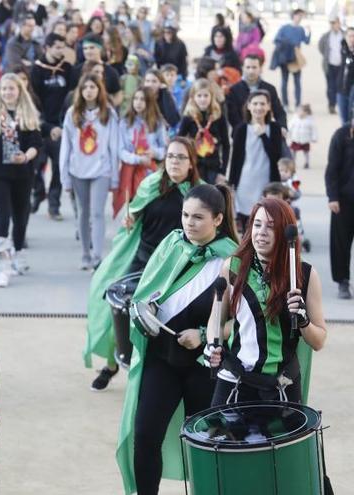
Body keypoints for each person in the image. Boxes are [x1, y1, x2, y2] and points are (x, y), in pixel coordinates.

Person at [117, 183, 238, 495]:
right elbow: (145, 292)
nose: (189, 222)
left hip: (204, 367)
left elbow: (240, 323)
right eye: (185, 215)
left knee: (204, 443)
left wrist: (202, 335)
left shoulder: (232, 259)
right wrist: (146, 311)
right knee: (144, 435)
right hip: (163, 359)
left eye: (198, 217)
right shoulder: (172, 244)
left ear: (218, 219)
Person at [85, 136, 202, 389]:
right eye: (170, 156)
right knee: (115, 303)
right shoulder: (151, 183)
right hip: (143, 258)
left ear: (191, 163)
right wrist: (131, 219)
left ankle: (158, 373)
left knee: (163, 318)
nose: (174, 162)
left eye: (181, 157)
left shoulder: (198, 194)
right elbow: (136, 213)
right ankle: (113, 363)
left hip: (175, 268)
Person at [207, 198, 328, 406]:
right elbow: (216, 320)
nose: (261, 232)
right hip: (235, 378)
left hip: (282, 383)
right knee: (215, 438)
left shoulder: (305, 274)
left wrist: (303, 320)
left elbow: (319, 341)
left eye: (271, 227)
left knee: (285, 440)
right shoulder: (233, 267)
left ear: (284, 232)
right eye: (257, 224)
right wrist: (212, 344)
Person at [0, 73, 42, 288]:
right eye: (3, 89)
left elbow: (35, 144)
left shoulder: (28, 116)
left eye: (11, 89)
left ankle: (18, 252)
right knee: (3, 218)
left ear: (19, 91)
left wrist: (26, 156)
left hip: (22, 173)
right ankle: (3, 267)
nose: (7, 93)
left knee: (21, 218)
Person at [59, 73, 119, 270]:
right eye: (85, 87)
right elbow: (66, 146)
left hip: (101, 170)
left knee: (97, 213)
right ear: (80, 91)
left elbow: (114, 145)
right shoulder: (72, 113)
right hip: (78, 171)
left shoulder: (108, 113)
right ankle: (85, 254)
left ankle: (97, 256)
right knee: (83, 213)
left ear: (99, 89)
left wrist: (115, 177)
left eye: (93, 87)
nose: (89, 91)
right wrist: (64, 176)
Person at [30, 32, 74, 220]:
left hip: (61, 126)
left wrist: (63, 125)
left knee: (58, 167)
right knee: (34, 165)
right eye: (57, 47)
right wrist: (45, 125)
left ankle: (53, 205)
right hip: (40, 126)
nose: (60, 50)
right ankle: (38, 191)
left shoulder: (68, 69)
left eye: (62, 47)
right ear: (47, 48)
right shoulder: (37, 70)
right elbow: (33, 100)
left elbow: (72, 98)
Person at [228, 90, 283, 231]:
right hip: (246, 183)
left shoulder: (275, 129)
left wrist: (263, 136)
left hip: (267, 183)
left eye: (263, 104)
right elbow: (236, 159)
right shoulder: (241, 129)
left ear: (269, 107)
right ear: (249, 106)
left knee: (266, 221)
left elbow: (276, 156)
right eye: (255, 103)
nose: (259, 107)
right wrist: (232, 184)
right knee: (248, 223)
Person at [114, 86, 168, 218]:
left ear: (149, 102)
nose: (138, 102)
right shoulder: (125, 122)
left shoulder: (157, 123)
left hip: (150, 172)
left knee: (150, 211)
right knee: (133, 212)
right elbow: (120, 151)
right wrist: (137, 159)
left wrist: (155, 153)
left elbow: (165, 149)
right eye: (136, 99)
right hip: (130, 173)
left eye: (142, 99)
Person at [177, 78, 230, 185]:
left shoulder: (218, 117)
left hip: (213, 167)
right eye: (199, 96)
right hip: (193, 166)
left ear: (211, 97)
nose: (203, 99)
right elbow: (179, 142)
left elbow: (226, 145)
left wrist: (223, 171)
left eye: (206, 96)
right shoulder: (188, 117)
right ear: (193, 97)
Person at [325, 118, 354, 299]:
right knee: (341, 243)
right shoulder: (341, 136)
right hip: (344, 200)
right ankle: (342, 281)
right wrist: (333, 196)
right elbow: (332, 170)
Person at [226, 54, 287, 131]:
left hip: (265, 130)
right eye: (248, 67)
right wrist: (246, 131)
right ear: (243, 68)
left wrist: (282, 126)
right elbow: (233, 116)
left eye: (254, 67)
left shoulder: (270, 88)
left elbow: (279, 111)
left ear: (260, 69)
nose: (251, 71)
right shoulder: (234, 90)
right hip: (242, 132)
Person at [272, 9, 311, 109]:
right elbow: (276, 40)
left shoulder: (301, 29)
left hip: (296, 58)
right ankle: (285, 104)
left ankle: (298, 104)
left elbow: (306, 41)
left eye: (301, 16)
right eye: (298, 16)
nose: (300, 18)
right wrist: (286, 44)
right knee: (284, 82)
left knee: (297, 82)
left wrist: (309, 32)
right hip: (285, 58)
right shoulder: (285, 28)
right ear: (293, 16)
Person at [319, 18, 344, 116]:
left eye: (336, 23)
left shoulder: (344, 35)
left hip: (341, 65)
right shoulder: (326, 36)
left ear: (339, 24)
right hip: (329, 65)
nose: (334, 25)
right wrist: (326, 55)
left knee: (339, 86)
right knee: (330, 86)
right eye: (332, 23)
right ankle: (331, 105)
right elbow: (321, 46)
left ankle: (338, 103)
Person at [288, 103, 317, 169]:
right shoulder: (294, 119)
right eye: (298, 111)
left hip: (305, 140)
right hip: (295, 139)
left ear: (306, 112)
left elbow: (314, 130)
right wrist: (288, 133)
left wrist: (314, 138)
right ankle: (293, 162)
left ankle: (307, 162)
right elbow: (290, 127)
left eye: (300, 111)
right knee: (293, 151)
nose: (298, 113)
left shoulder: (310, 121)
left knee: (306, 152)